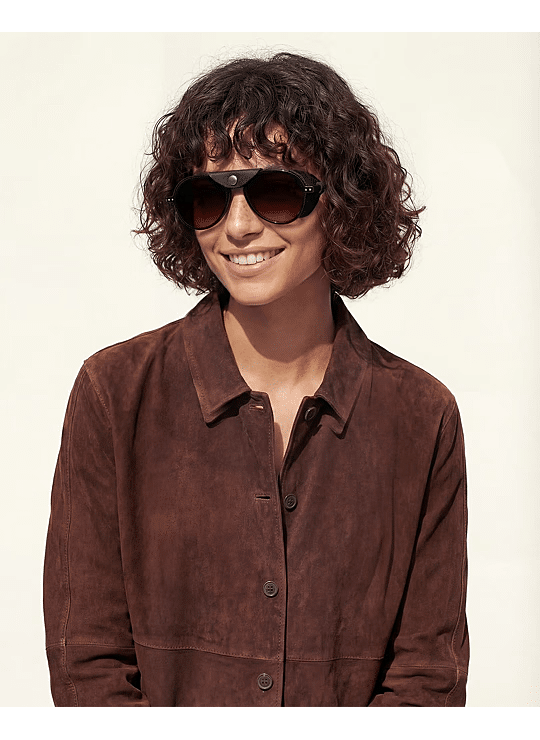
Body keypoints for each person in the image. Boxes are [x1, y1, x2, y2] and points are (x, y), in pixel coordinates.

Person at [43, 52, 469, 707]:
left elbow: (428, 680)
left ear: (342, 201)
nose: (239, 227)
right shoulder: (115, 394)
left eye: (275, 192)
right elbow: (89, 667)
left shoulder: (420, 416)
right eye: (209, 197)